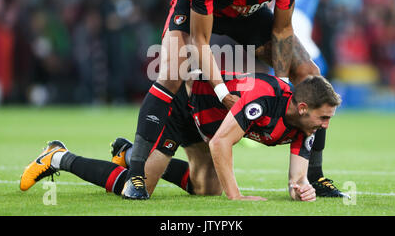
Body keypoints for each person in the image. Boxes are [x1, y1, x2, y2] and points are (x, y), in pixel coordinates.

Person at [122, 0, 325, 200]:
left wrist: (279, 86)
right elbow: (200, 41)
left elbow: (281, 30)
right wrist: (221, 91)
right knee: (170, 74)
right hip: (199, 13)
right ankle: (136, 175)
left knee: (309, 73)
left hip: (246, 14)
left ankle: (315, 177)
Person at [20, 72, 342, 201]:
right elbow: (220, 144)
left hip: (210, 122)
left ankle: (132, 154)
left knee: (205, 189)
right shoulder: (263, 98)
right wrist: (238, 197)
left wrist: (301, 190)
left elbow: (296, 179)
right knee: (138, 192)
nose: (325, 125)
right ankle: (58, 155)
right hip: (185, 108)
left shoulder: (305, 126)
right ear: (302, 107)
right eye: (323, 117)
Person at [288, 0, 358, 192]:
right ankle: (313, 173)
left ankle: (256, 120)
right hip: (297, 18)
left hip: (280, 13)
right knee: (318, 81)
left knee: (304, 76)